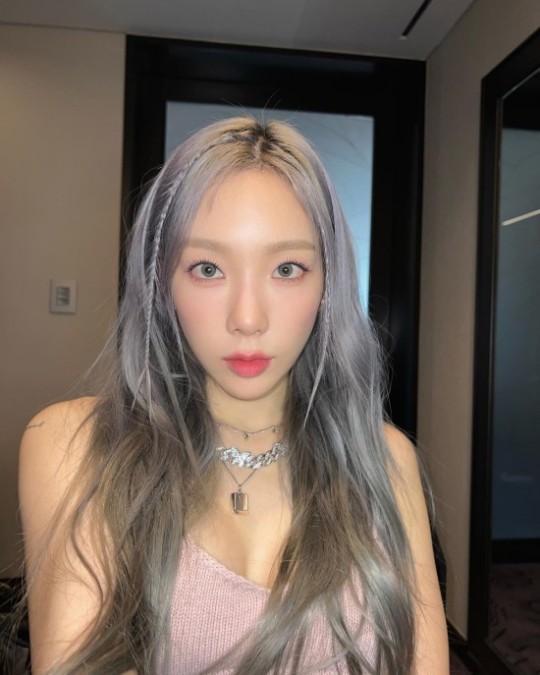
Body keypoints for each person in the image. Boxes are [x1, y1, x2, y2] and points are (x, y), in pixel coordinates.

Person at [19, 117, 449, 674]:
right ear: (161, 283)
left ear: (328, 284)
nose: (247, 318)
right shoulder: (76, 446)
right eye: (208, 269)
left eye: (287, 269)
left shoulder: (386, 461)